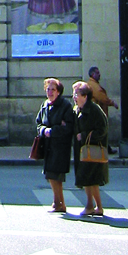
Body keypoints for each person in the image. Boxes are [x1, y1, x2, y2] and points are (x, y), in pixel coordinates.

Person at [35, 76, 74, 213]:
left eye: (52, 89)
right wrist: (44, 130)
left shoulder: (65, 106)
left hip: (60, 146)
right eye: (48, 89)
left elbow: (69, 127)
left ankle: (59, 203)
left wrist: (53, 130)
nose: (49, 92)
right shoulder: (45, 105)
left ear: (59, 91)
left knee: (56, 175)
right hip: (48, 146)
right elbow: (39, 122)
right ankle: (58, 202)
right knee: (50, 175)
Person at [72, 80, 109, 217]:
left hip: (91, 149)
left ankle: (90, 206)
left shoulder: (94, 110)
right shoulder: (77, 110)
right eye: (74, 94)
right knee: (90, 179)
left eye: (77, 94)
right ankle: (98, 207)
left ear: (85, 96)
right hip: (82, 150)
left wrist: (85, 135)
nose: (74, 97)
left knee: (89, 178)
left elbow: (103, 130)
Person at [86, 65, 119, 153]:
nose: (99, 74)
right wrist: (112, 103)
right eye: (97, 73)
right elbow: (102, 97)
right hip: (98, 114)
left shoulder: (92, 84)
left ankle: (106, 148)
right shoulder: (94, 85)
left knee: (101, 132)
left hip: (97, 113)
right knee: (101, 131)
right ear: (92, 74)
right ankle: (105, 149)